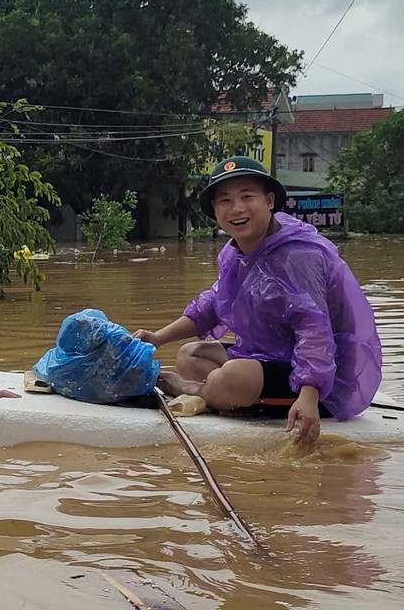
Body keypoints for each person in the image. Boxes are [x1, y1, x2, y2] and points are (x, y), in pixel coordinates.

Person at [133, 156, 382, 445]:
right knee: (190, 355)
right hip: (274, 356)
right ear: (215, 210)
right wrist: (158, 337)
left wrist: (310, 395)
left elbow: (314, 332)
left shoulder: (297, 256)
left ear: (270, 200)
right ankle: (221, 393)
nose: (237, 209)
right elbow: (213, 304)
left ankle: (195, 390)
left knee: (232, 376)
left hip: (325, 380)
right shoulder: (237, 250)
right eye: (224, 200)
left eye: (247, 196)